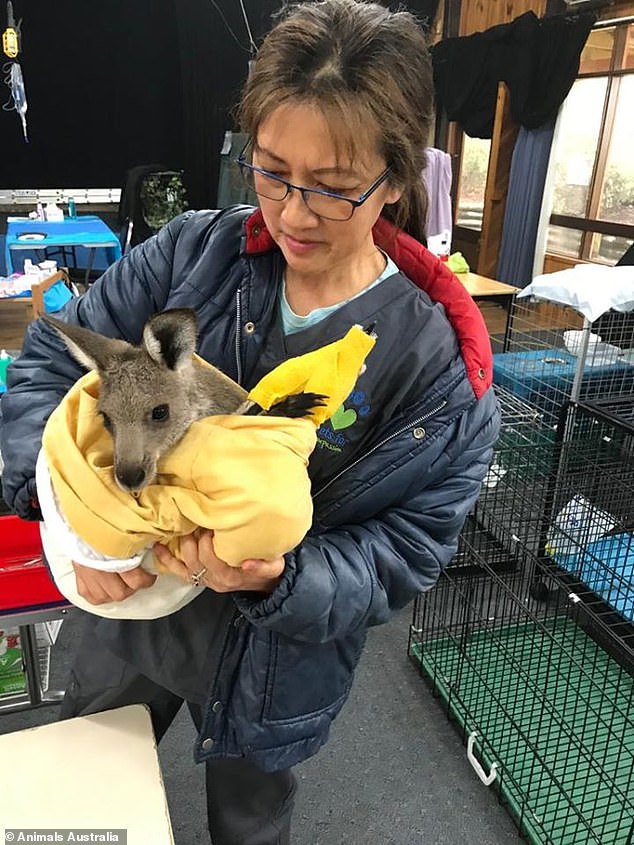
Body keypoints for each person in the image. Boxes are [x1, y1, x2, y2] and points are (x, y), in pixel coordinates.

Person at [0, 1, 500, 842]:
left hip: (277, 661)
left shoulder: (437, 369)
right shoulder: (193, 254)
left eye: (335, 189)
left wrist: (282, 578)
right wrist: (68, 528)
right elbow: (52, 363)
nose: (294, 212)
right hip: (123, 617)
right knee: (85, 792)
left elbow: (406, 547)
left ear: (399, 176)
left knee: (252, 816)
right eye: (272, 172)